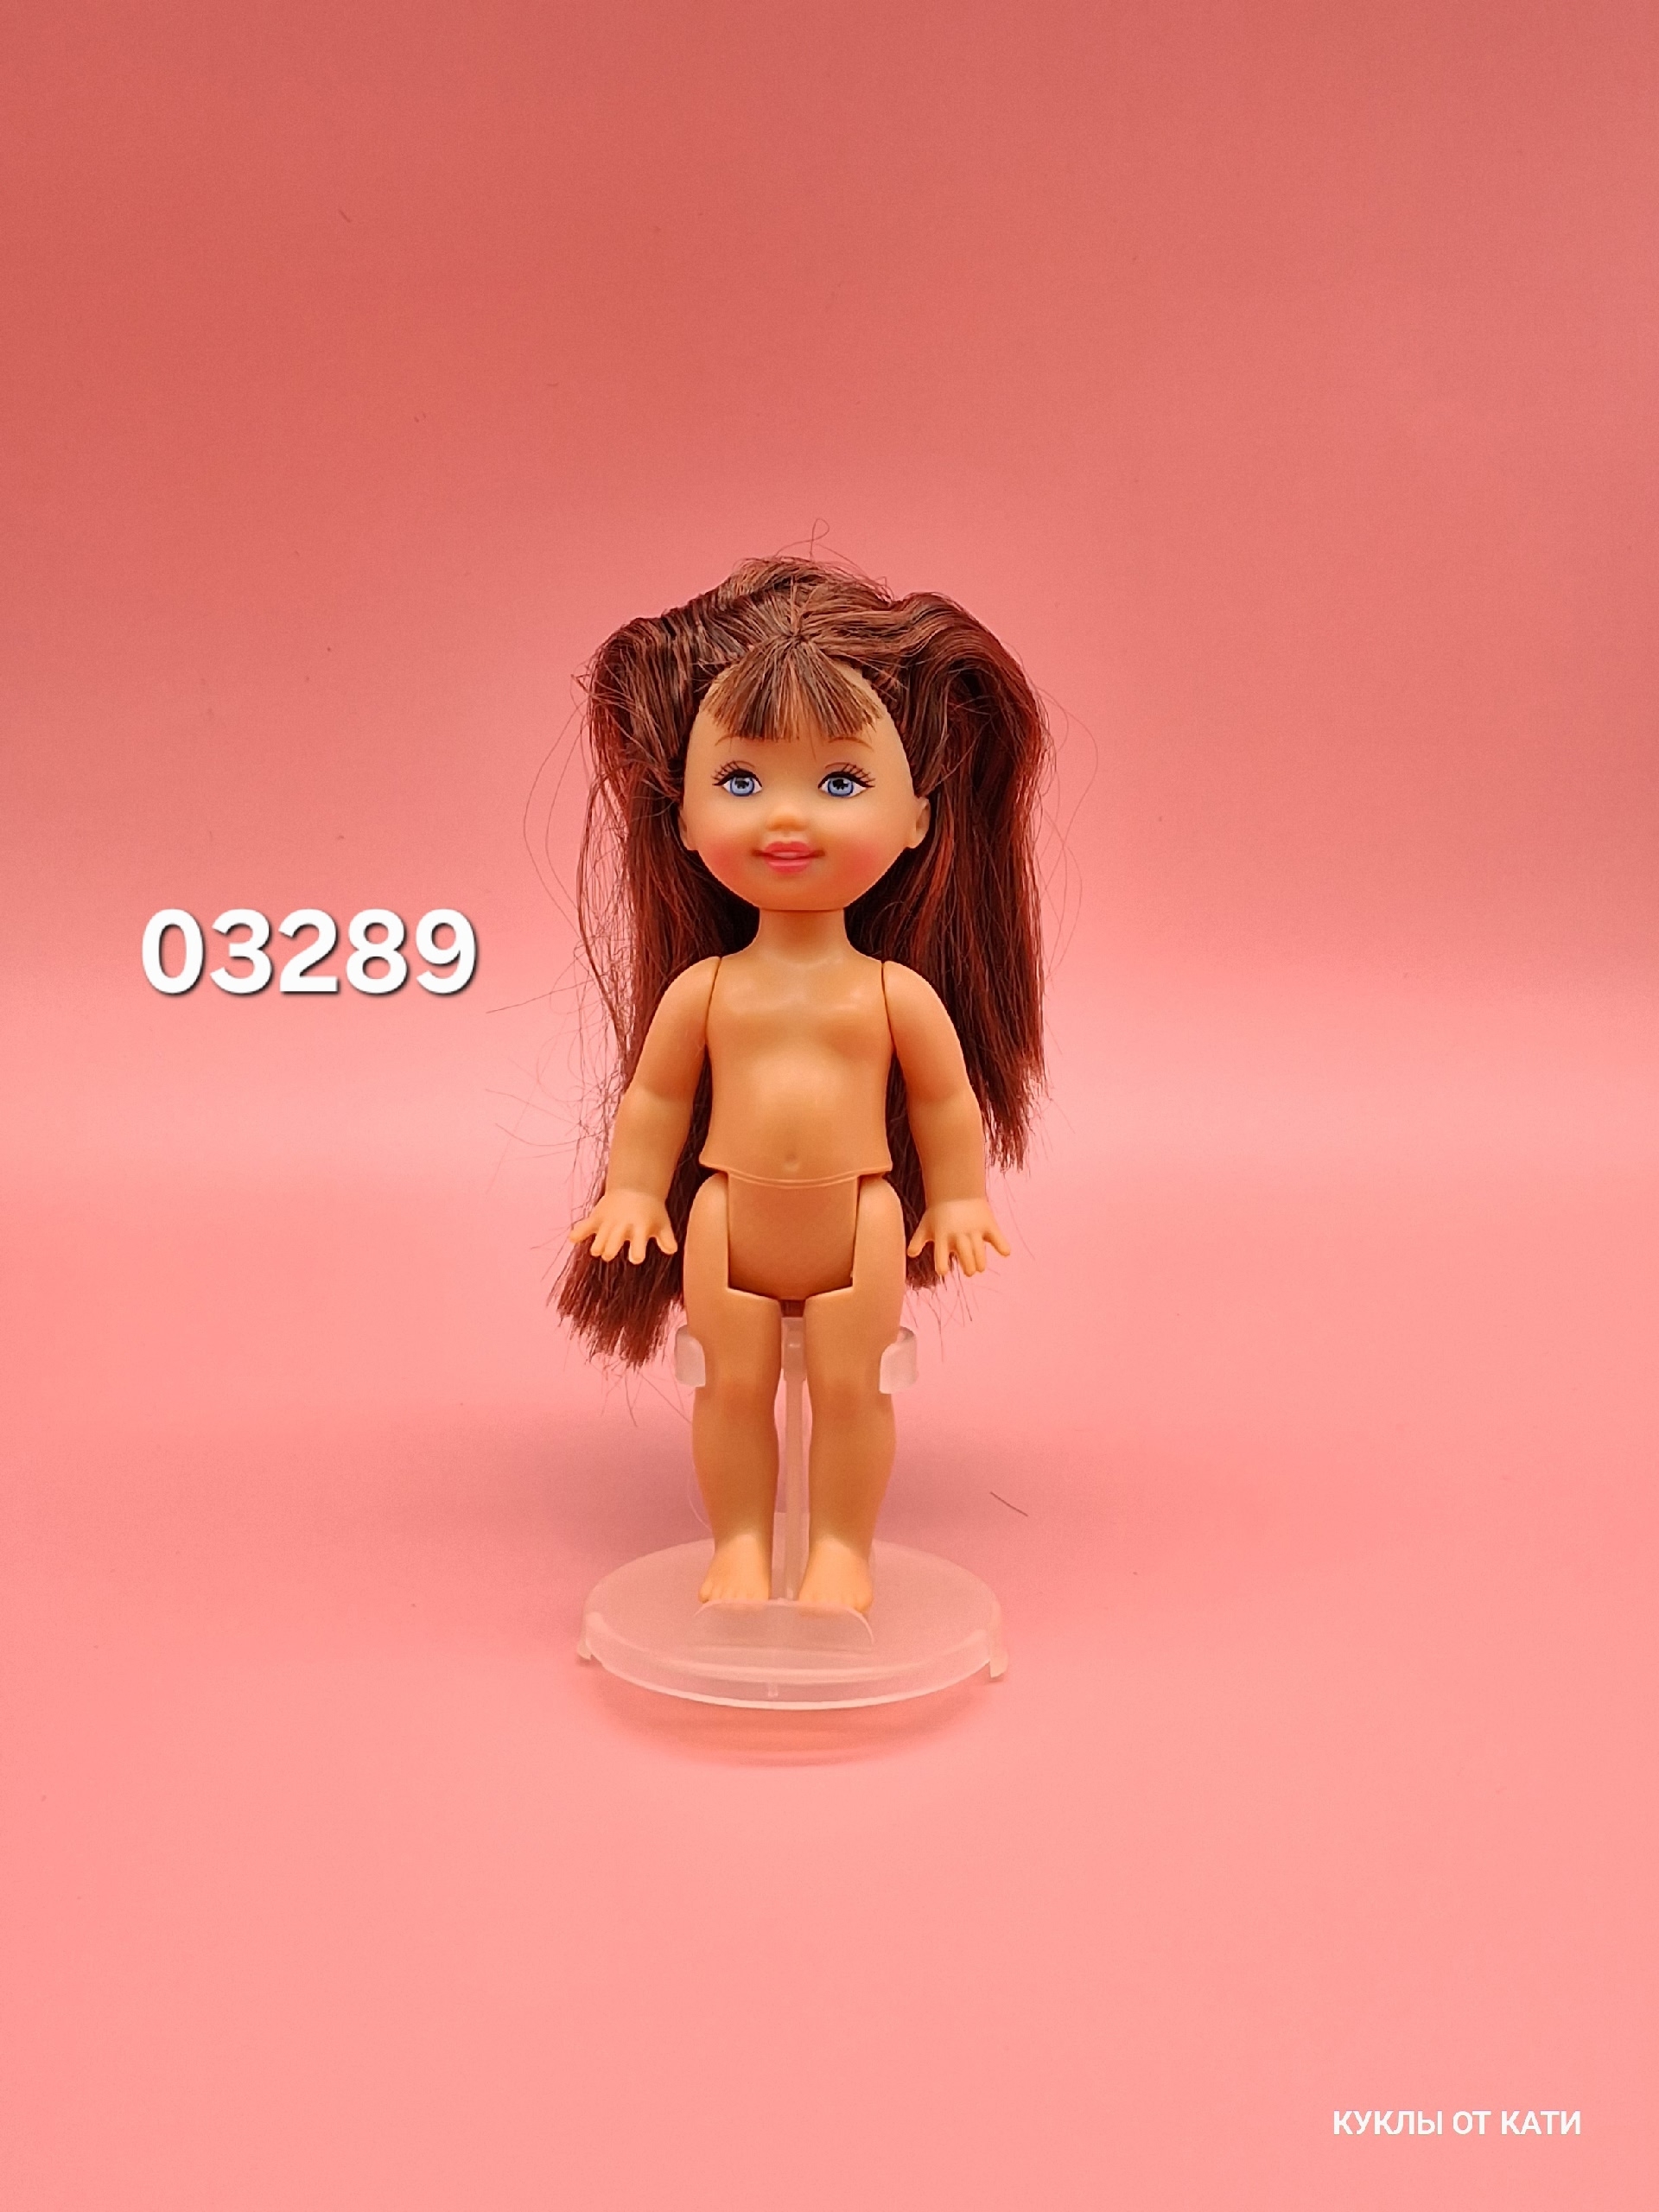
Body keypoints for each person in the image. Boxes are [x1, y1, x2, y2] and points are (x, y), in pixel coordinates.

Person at [562, 558, 1047, 1611]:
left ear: (917, 819)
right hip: (725, 1216)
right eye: (741, 781)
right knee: (730, 1388)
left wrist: (958, 1196)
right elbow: (656, 1100)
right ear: (683, 819)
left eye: (839, 783)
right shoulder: (705, 990)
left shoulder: (892, 994)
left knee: (852, 1388)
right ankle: (740, 1544)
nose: (788, 820)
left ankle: (839, 1553)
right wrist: (636, 1189)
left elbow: (943, 1102)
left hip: (859, 1222)